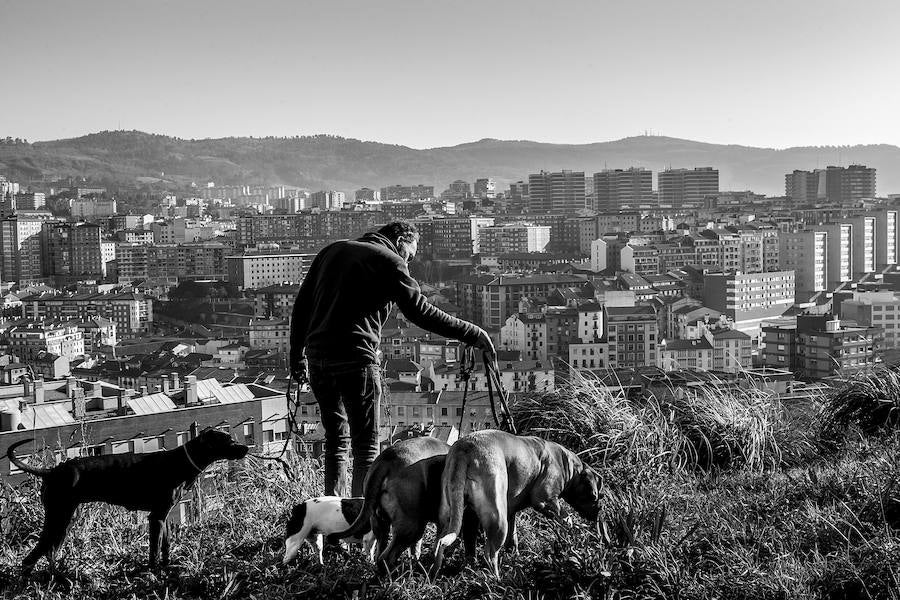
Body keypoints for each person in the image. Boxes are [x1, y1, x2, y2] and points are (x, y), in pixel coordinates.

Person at [289, 221, 494, 497]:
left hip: (318, 360)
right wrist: (473, 333)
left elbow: (302, 306)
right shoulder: (390, 261)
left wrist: (296, 355)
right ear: (400, 240)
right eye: (409, 254)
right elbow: (420, 312)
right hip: (357, 360)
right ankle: (361, 523)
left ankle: (334, 524)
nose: (408, 261)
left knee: (335, 442)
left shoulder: (331, 252)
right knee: (365, 447)